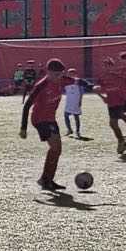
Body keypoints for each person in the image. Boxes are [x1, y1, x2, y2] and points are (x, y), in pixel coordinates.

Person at [19, 59, 73, 191]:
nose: (58, 77)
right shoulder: (41, 85)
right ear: (48, 72)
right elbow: (27, 105)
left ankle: (47, 179)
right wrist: (23, 128)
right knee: (55, 147)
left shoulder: (62, 79)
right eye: (56, 74)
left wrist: (91, 87)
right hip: (39, 119)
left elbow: (78, 81)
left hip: (51, 119)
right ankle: (45, 180)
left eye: (61, 74)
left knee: (57, 149)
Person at [96, 57, 126, 155]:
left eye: (109, 65)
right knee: (115, 121)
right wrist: (102, 96)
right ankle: (123, 141)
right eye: (105, 65)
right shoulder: (102, 77)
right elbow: (97, 88)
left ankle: (121, 142)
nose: (107, 67)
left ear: (112, 66)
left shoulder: (118, 76)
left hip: (119, 102)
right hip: (111, 103)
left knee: (113, 123)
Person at [62, 69, 94, 138]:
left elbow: (82, 91)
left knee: (76, 116)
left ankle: (77, 131)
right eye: (69, 73)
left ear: (75, 74)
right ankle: (69, 130)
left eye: (72, 73)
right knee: (66, 115)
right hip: (69, 101)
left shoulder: (78, 81)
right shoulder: (66, 81)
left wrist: (80, 101)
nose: (71, 75)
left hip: (76, 101)